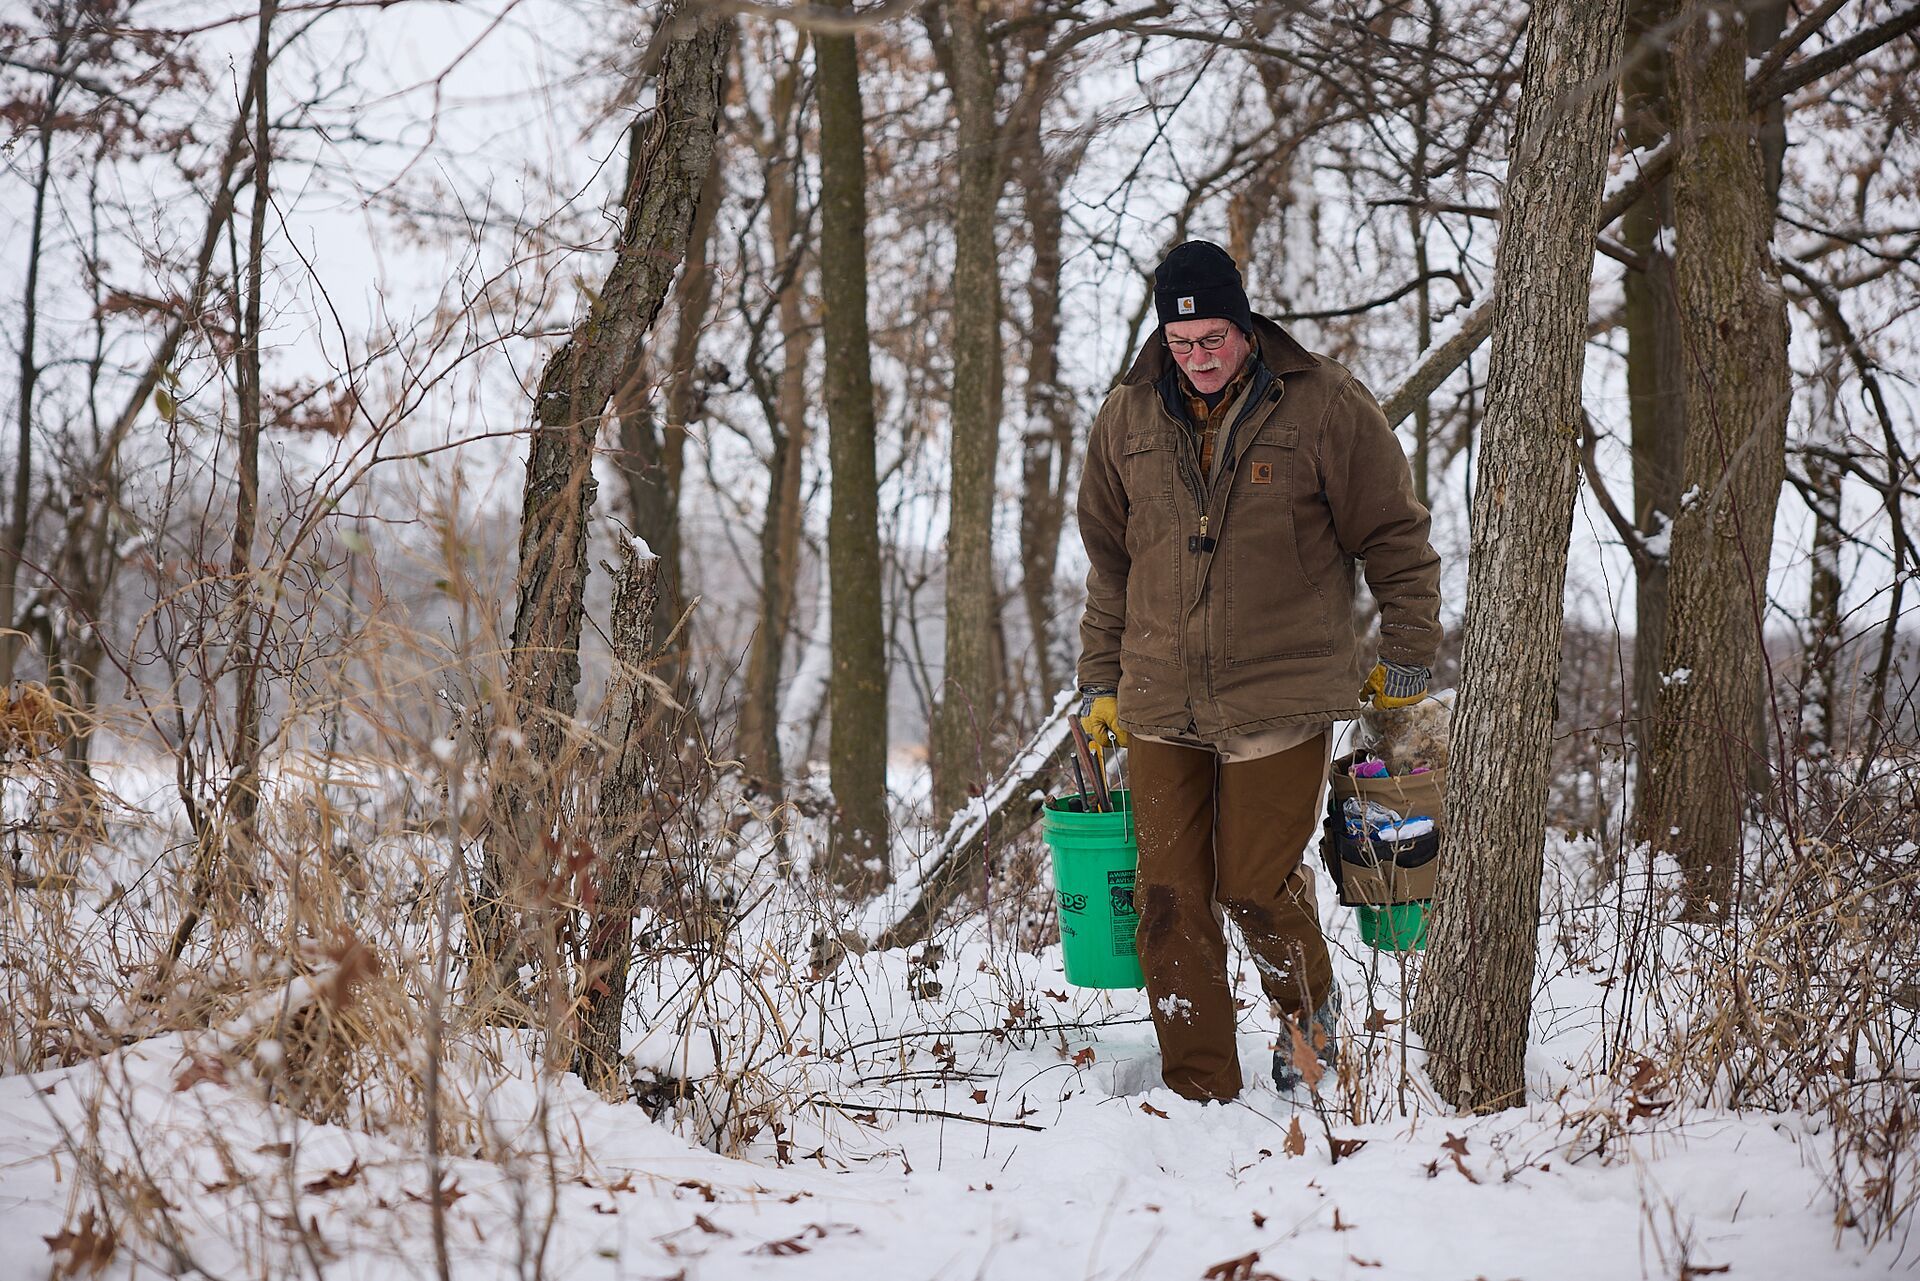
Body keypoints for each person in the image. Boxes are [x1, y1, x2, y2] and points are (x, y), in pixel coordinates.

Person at [1075, 240, 1442, 1103]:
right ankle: (1197, 1086)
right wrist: (1100, 682)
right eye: (1181, 342)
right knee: (1168, 895)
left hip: (1280, 694)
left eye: (1213, 339)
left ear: (1244, 326)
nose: (1197, 359)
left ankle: (1309, 1011)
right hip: (1160, 695)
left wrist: (1409, 655)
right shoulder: (1125, 419)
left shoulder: (1324, 406)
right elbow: (1109, 564)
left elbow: (1395, 536)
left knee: (1251, 884)